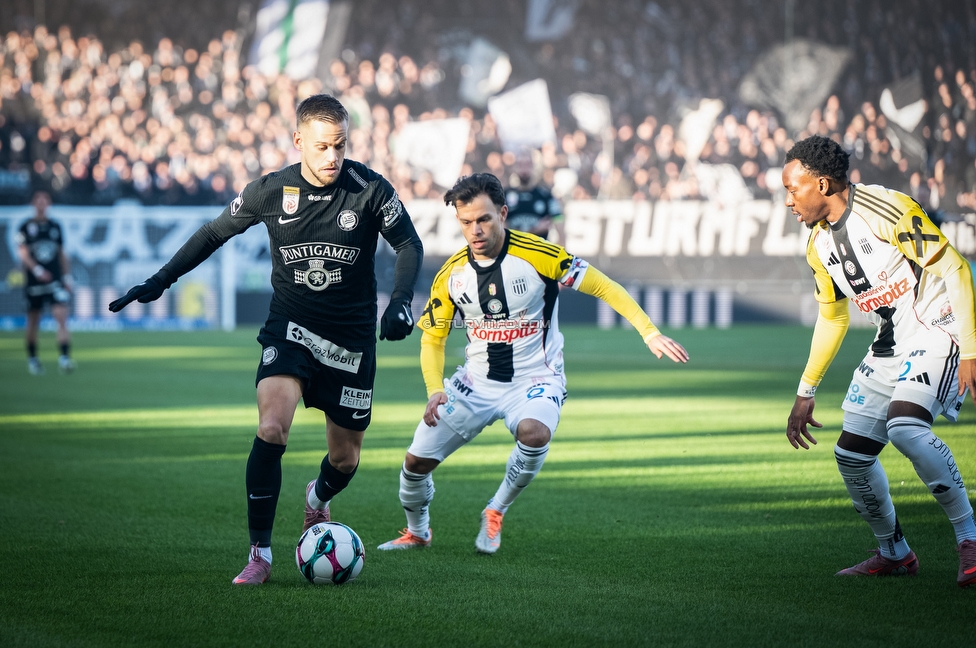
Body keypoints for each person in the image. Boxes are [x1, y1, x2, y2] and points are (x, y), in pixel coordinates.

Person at [107, 94, 424, 585]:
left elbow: (408, 242)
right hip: (290, 330)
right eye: (321, 146)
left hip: (351, 341)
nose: (332, 157)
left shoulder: (370, 189)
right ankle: (260, 553)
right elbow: (214, 232)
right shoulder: (272, 190)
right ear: (299, 141)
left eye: (340, 145)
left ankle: (316, 499)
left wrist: (401, 299)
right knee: (273, 427)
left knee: (346, 458)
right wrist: (161, 279)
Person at [377, 173, 688, 554]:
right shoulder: (451, 275)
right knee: (413, 466)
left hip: (536, 377)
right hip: (476, 382)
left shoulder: (541, 254)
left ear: (503, 213)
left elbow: (604, 285)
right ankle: (417, 532)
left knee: (535, 433)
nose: (475, 230)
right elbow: (433, 337)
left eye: (484, 219)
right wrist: (435, 389)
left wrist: (648, 331)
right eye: (466, 222)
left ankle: (496, 510)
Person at [784, 135, 976, 587]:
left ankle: (970, 538)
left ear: (823, 184)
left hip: (936, 328)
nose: (788, 201)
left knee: (905, 428)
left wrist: (970, 350)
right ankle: (894, 553)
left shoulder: (886, 209)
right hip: (888, 347)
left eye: (793, 189)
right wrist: (805, 391)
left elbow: (955, 268)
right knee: (851, 455)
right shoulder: (817, 246)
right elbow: (832, 318)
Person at [16, 190, 74, 375]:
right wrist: (37, 270)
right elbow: (23, 254)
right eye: (38, 200)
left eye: (45, 200)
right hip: (34, 282)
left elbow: (61, 253)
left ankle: (64, 358)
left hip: (55, 280)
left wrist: (66, 277)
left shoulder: (55, 226)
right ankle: (33, 359)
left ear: (48, 203)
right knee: (33, 320)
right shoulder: (25, 227)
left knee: (61, 316)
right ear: (33, 203)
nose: (42, 204)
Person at [504, 149, 562, 241]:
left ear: (534, 166)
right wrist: (535, 230)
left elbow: (560, 227)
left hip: (539, 253)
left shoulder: (546, 196)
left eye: (527, 164)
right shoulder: (504, 196)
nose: (524, 169)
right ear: (514, 167)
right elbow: (500, 230)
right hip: (513, 253)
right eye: (520, 165)